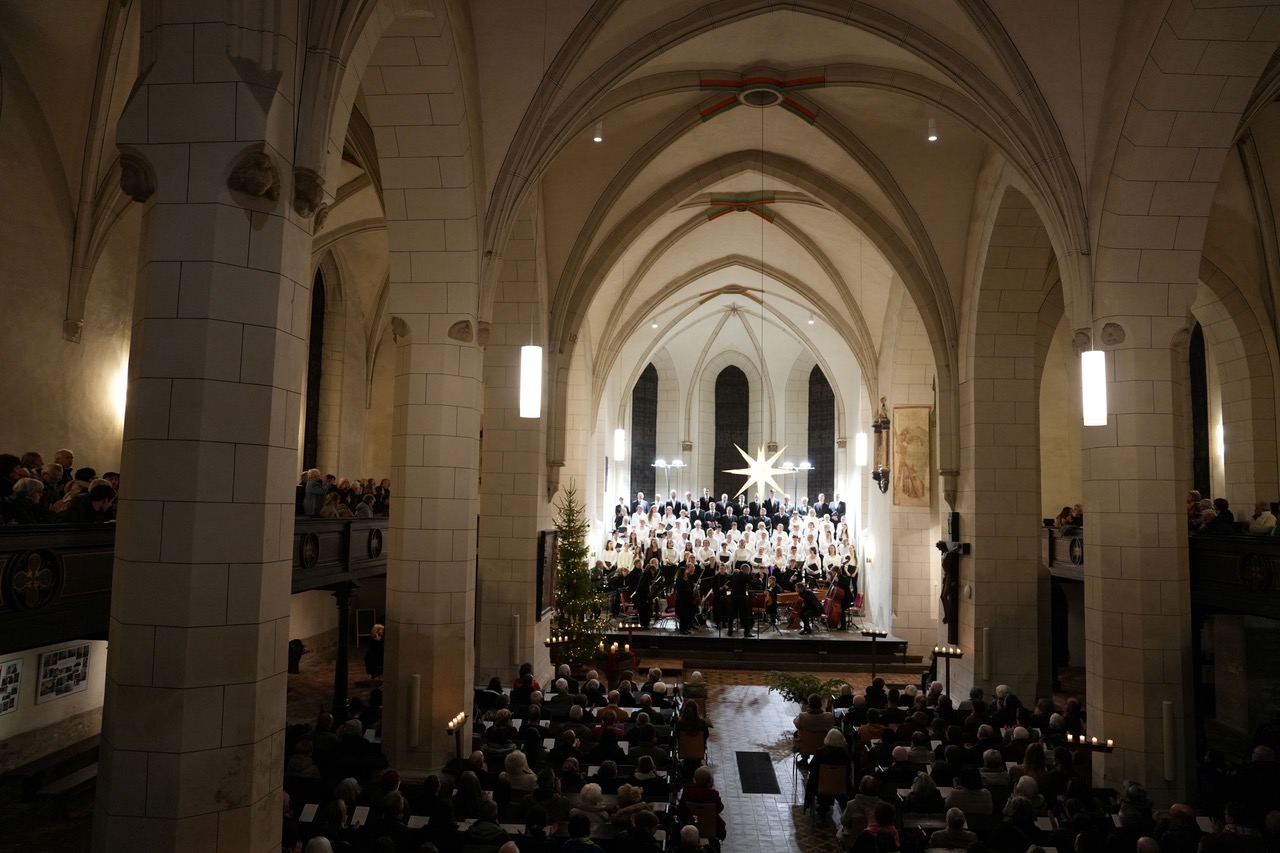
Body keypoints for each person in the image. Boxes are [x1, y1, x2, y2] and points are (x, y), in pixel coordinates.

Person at [678, 765, 726, 841]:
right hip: (710, 826)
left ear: (695, 779)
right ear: (710, 780)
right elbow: (719, 808)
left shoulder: (687, 790)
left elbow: (682, 805)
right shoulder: (713, 794)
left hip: (690, 822)